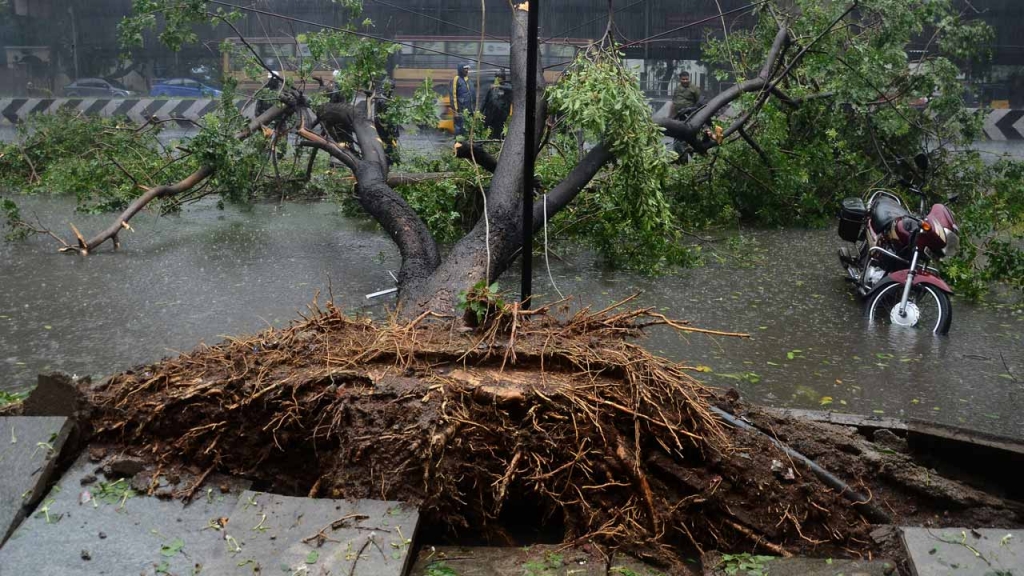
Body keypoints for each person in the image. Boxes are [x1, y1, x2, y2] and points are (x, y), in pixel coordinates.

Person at [481, 68, 513, 139]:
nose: (498, 79)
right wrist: (480, 111)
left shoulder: (506, 87)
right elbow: (485, 100)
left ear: (503, 78)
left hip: (501, 116)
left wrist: (498, 86)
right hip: (491, 115)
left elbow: (511, 89)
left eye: (500, 77)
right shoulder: (492, 88)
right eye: (497, 77)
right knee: (490, 132)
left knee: (500, 132)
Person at [449, 63, 475, 137]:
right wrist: (455, 111)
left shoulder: (468, 80)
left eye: (467, 69)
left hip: (469, 110)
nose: (467, 70)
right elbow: (453, 96)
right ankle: (458, 144)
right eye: (465, 69)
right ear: (461, 69)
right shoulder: (456, 79)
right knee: (460, 129)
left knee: (468, 129)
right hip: (460, 110)